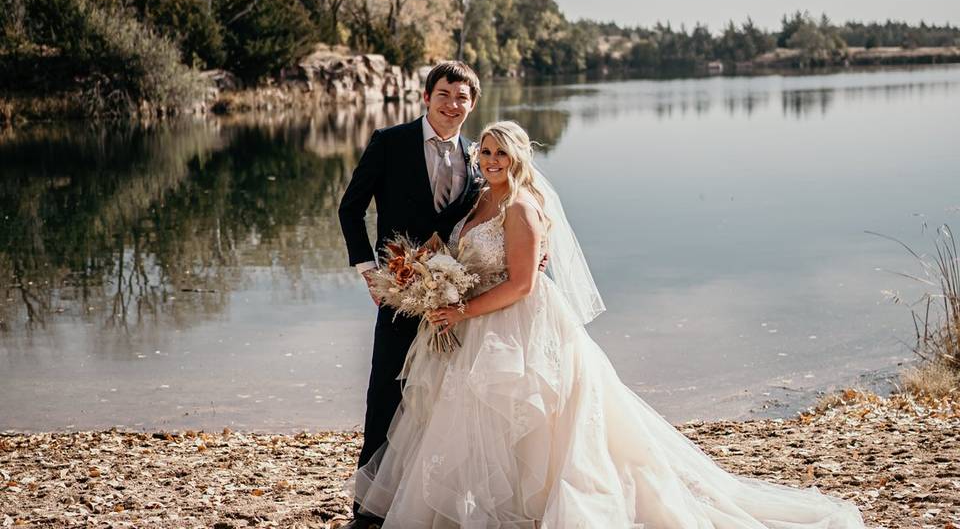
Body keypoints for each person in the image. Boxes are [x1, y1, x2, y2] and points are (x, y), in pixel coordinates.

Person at [349, 120, 867, 528]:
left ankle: (533, 508)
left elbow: (525, 284)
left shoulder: (523, 208)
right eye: (484, 152)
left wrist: (459, 309)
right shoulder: (480, 197)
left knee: (533, 419)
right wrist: (423, 277)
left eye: (500, 153)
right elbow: (462, 250)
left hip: (518, 323)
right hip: (478, 322)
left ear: (519, 158)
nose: (489, 160)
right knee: (473, 416)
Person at [338, 61, 485, 529]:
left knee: (444, 396)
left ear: (472, 104)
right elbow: (351, 208)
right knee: (386, 391)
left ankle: (425, 498)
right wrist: (368, 269)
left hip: (454, 293)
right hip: (399, 291)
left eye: (462, 98)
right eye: (444, 94)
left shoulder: (477, 156)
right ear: (426, 97)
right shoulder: (390, 142)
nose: (452, 105)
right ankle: (366, 507)